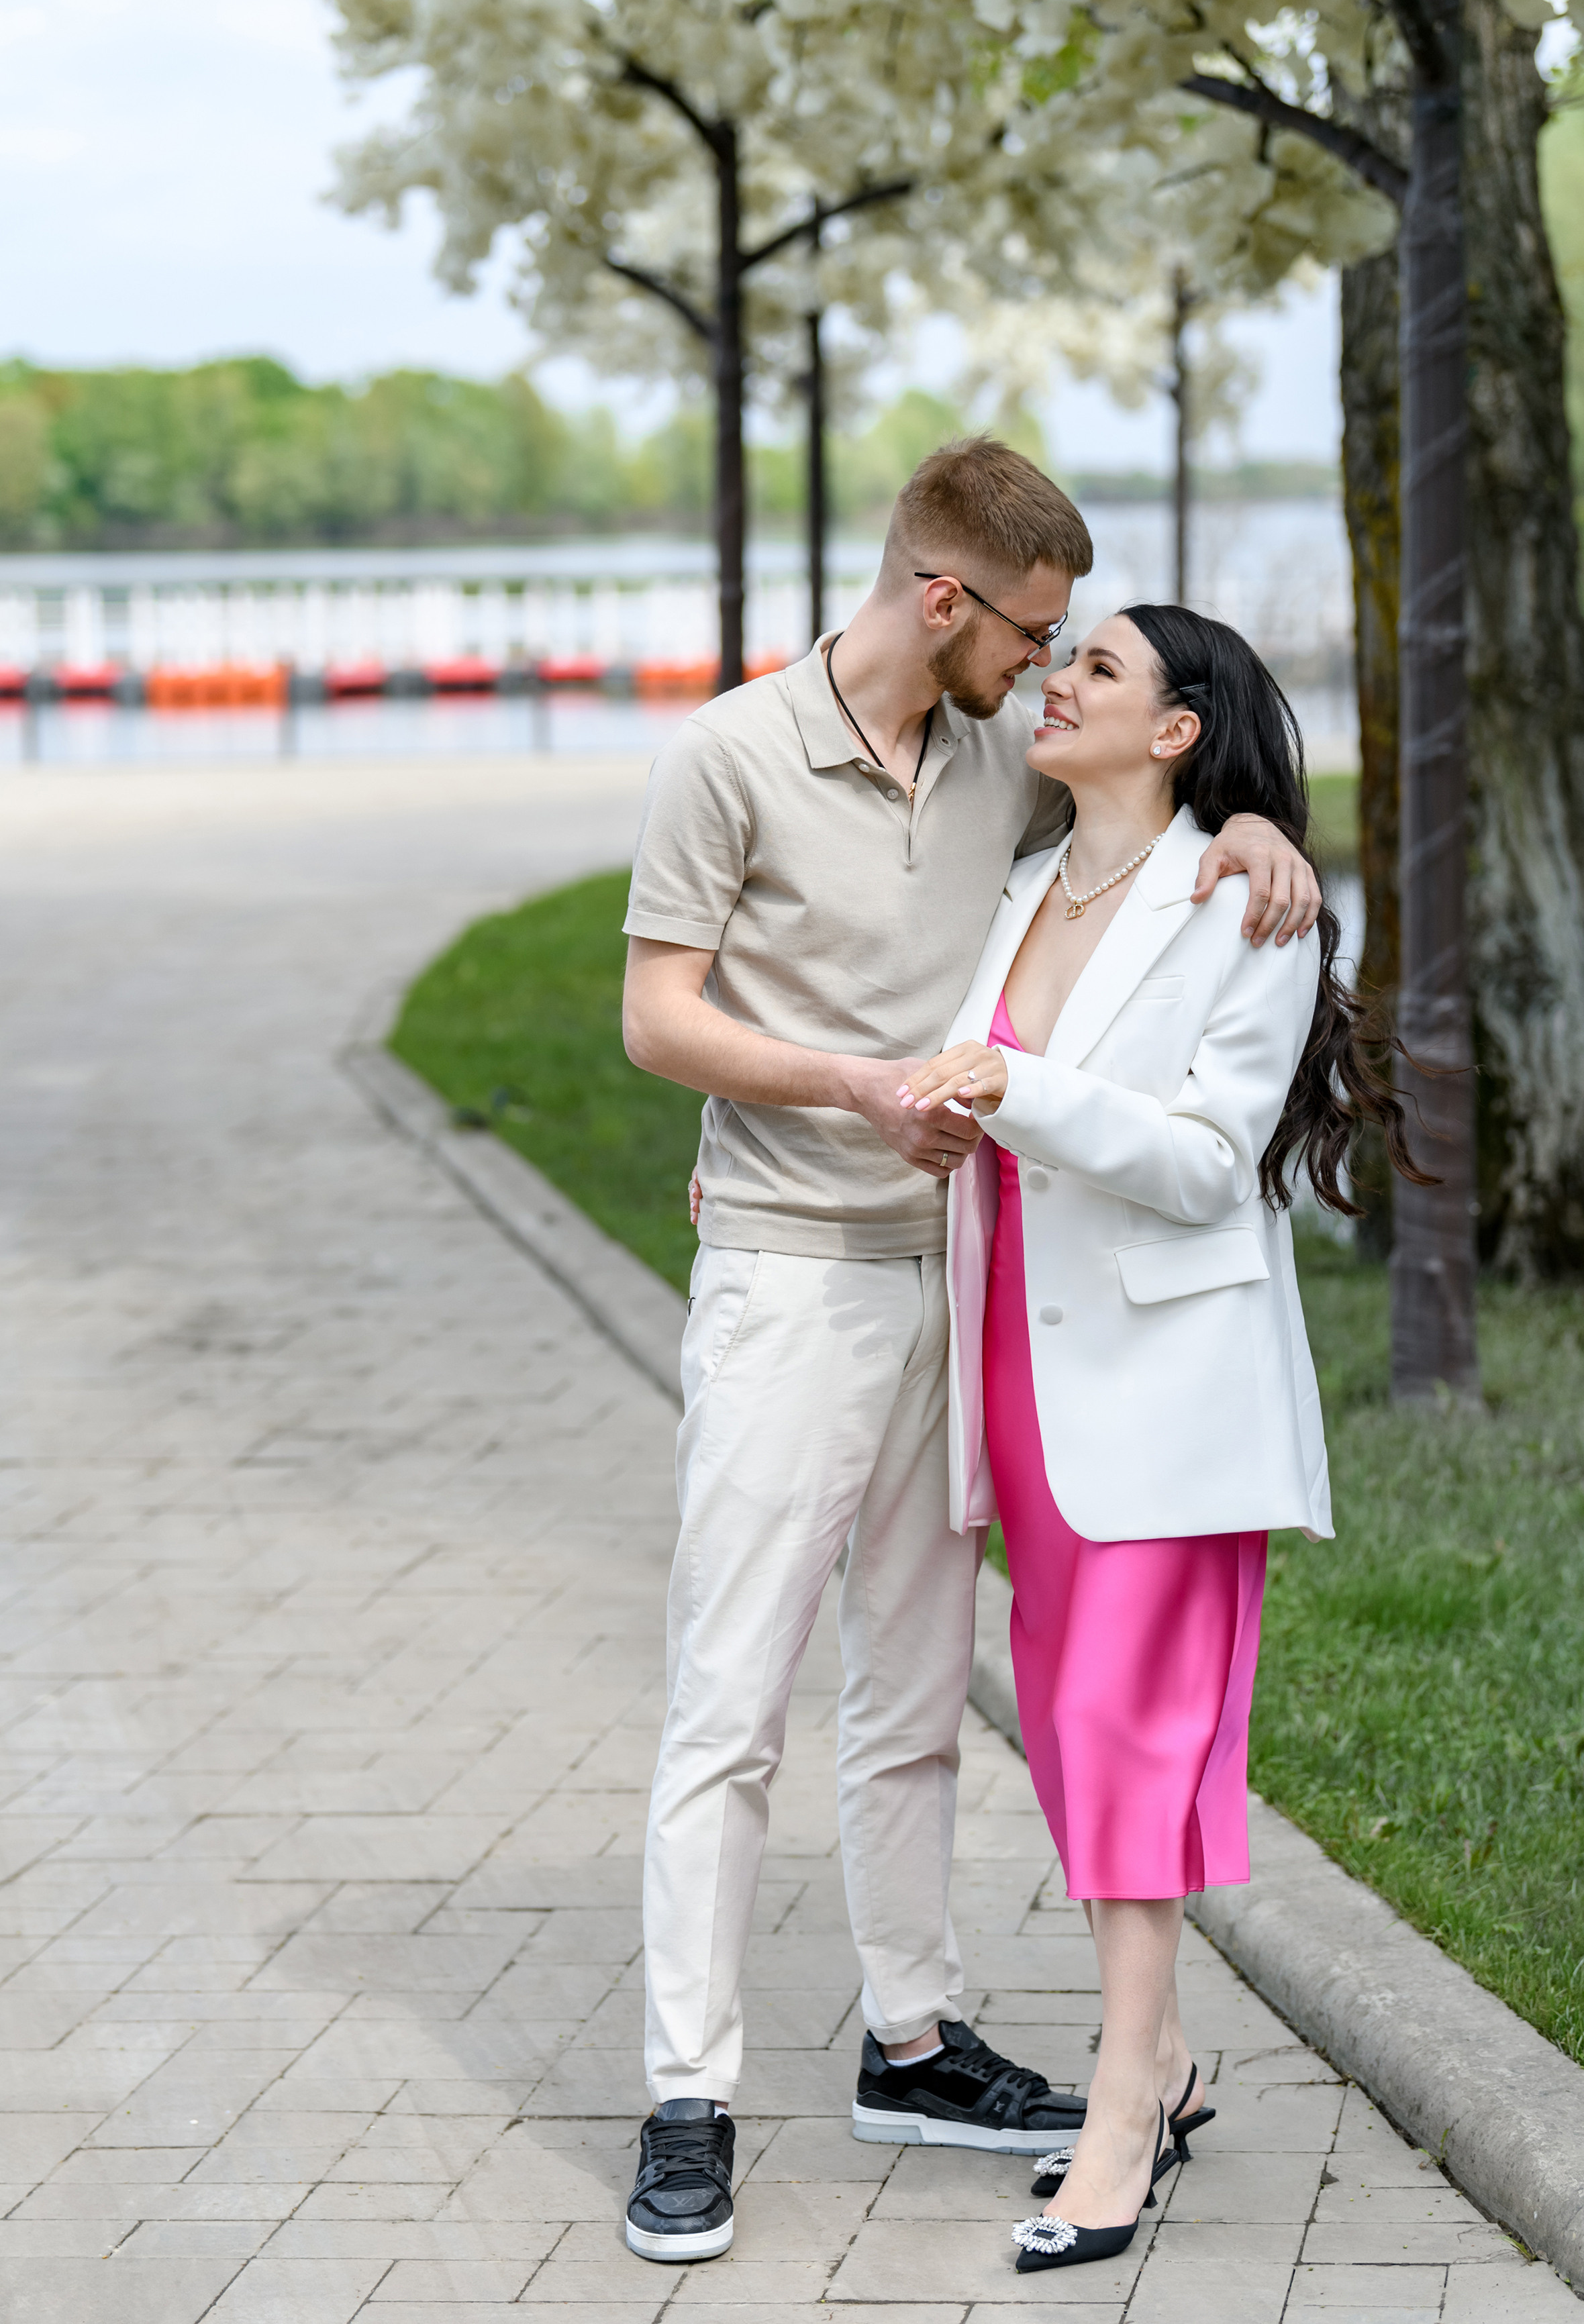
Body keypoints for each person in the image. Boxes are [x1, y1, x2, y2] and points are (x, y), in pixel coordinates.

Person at [617, 443, 1322, 2266]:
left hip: (964, 1280)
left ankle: (911, 2039)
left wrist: (1258, 828)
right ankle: (686, 2089)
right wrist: (839, 1093)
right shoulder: (732, 756)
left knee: (919, 1694)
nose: (1052, 660)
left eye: (1078, 647)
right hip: (792, 1271)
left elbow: (1163, 842)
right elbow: (655, 1018)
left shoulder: (1009, 757)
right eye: (1034, 630)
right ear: (948, 602)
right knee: (733, 1695)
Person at [898, 602, 1427, 2276]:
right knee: (1067, 1730)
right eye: (1067, 660)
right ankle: (1170, 2049)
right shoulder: (1024, 882)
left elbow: (1210, 1160)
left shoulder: (1245, 905)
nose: (1060, 682)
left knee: (1132, 1736)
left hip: (1167, 1387)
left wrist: (1009, 1090)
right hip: (1018, 1366)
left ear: (1181, 729)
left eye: (1101, 667)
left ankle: (1125, 2104)